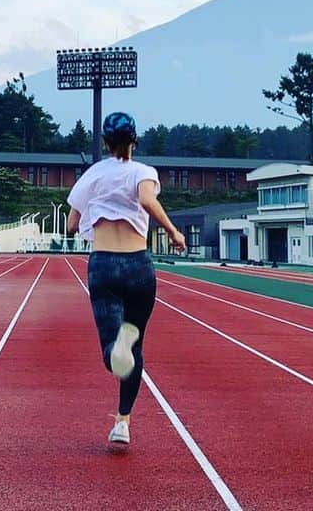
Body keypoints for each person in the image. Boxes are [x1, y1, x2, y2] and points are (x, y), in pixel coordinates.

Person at [65, 111, 186, 447]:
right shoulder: (143, 172)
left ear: (105, 143)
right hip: (138, 266)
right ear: (135, 140)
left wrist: (92, 215)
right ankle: (122, 423)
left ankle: (116, 350)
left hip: (103, 264)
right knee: (136, 347)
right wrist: (174, 232)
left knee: (113, 350)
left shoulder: (92, 175)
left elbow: (73, 224)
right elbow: (147, 200)